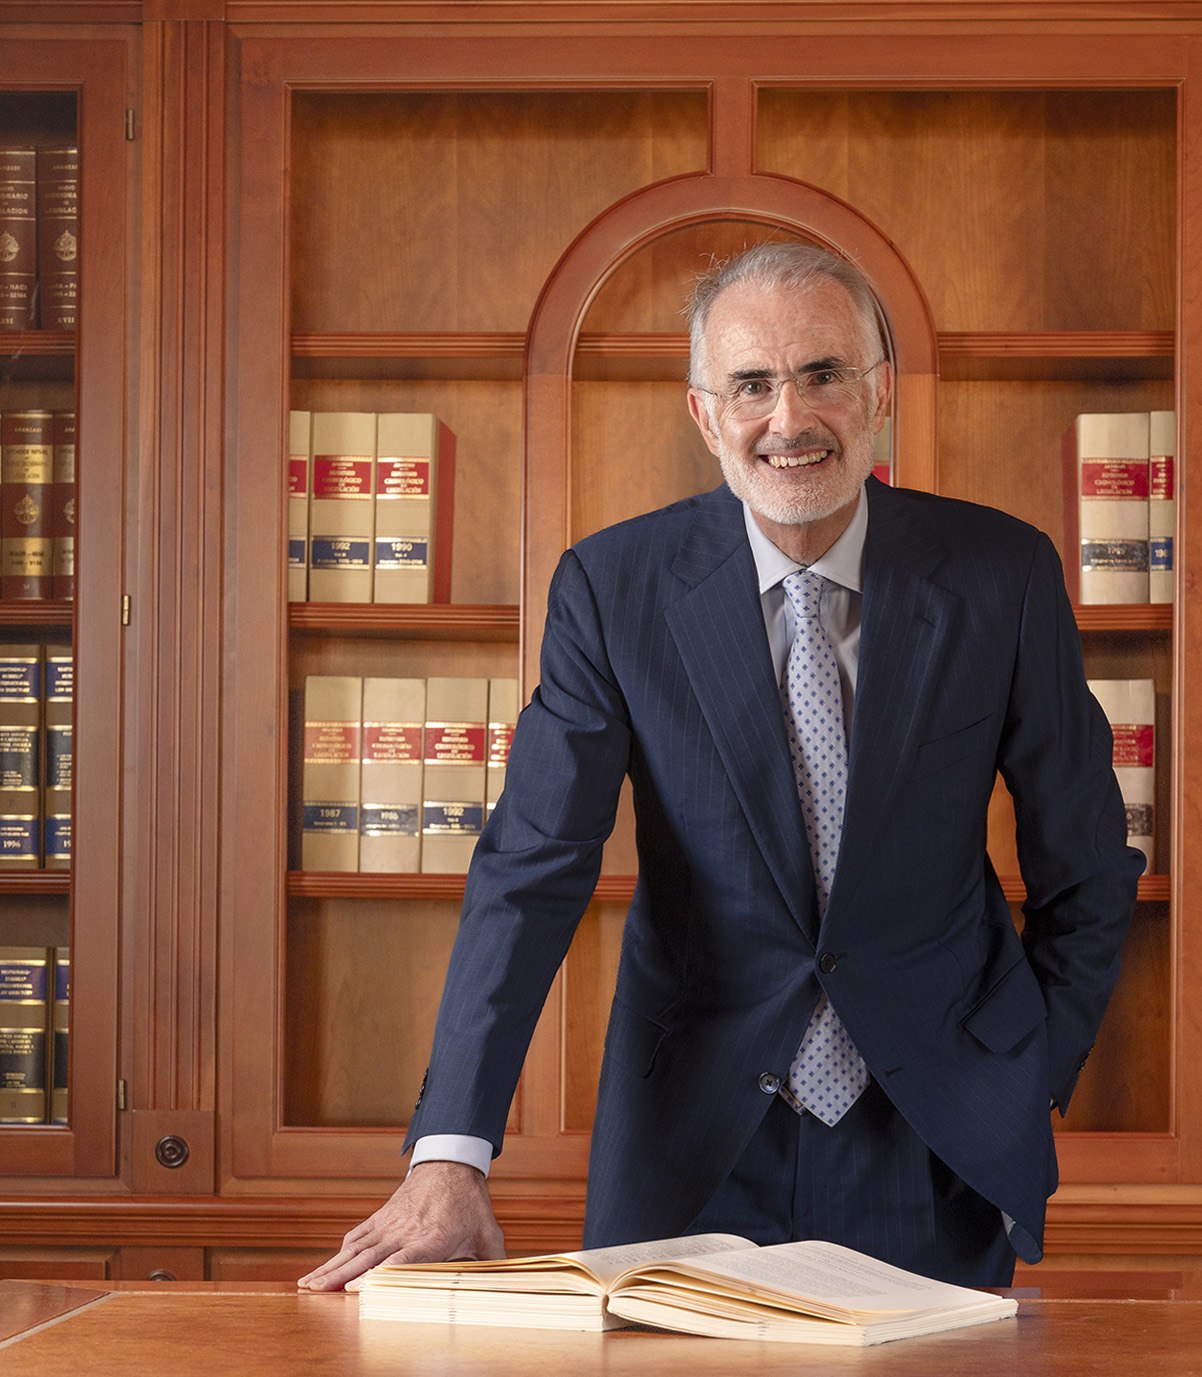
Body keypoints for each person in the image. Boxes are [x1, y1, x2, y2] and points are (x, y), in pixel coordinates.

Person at [298, 240, 1143, 1294]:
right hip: (690, 1140)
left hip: (932, 1138)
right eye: (750, 383)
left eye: (823, 375)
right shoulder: (612, 588)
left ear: (875, 394)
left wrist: (1023, 1068)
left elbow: (1086, 864)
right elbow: (531, 866)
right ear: (704, 414)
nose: (787, 420)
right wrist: (448, 1152)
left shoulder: (999, 574)